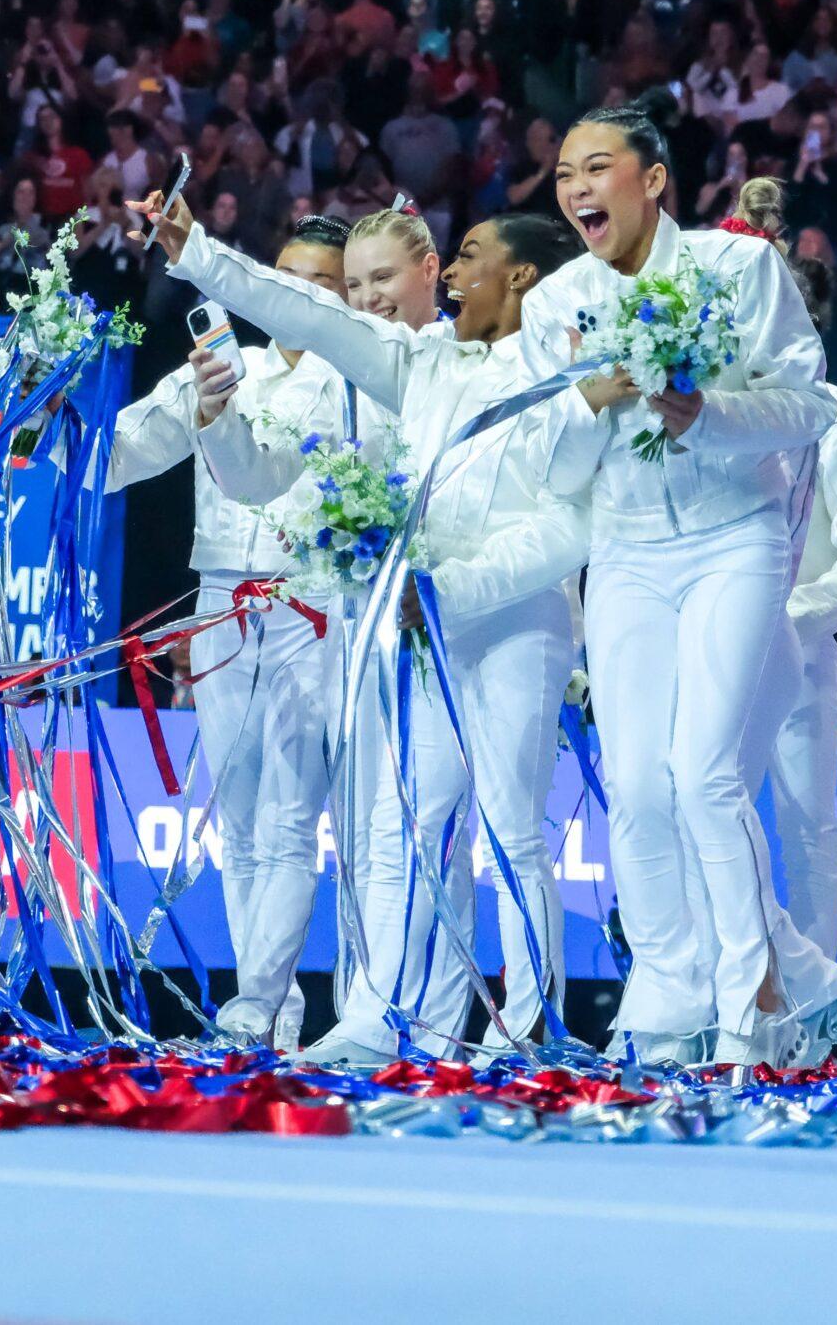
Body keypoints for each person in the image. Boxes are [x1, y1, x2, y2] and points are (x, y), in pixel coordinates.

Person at [145, 197, 592, 1060]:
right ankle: (390, 1017)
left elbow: (575, 520)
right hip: (410, 622)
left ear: (521, 276)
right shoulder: (417, 366)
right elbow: (302, 310)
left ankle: (529, 1030)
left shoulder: (561, 374)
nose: (456, 274)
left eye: (463, 259)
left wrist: (455, 583)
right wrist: (201, 253)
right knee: (400, 826)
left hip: (512, 620)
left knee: (507, 831)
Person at [512, 101, 837, 1070]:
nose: (577, 188)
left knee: (704, 774)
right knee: (633, 786)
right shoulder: (553, 307)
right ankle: (667, 1000)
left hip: (733, 540)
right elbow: (549, 457)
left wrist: (705, 415)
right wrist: (598, 398)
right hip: (625, 553)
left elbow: (809, 404)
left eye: (597, 168)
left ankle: (751, 1009)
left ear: (653, 178)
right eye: (563, 176)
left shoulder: (737, 270)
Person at [68, 214, 361, 1051]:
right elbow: (138, 440)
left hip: (314, 604)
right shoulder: (229, 363)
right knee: (236, 812)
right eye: (291, 276)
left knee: (291, 813)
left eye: (324, 283)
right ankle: (273, 1009)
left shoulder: (353, 378)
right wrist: (50, 436)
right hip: (221, 603)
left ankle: (256, 1001)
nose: (303, 294)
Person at [737, 247, 837, 957]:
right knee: (708, 818)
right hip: (706, 654)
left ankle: (811, 1009)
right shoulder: (708, 414)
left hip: (797, 653)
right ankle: (726, 997)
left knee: (806, 828)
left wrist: (782, 621)